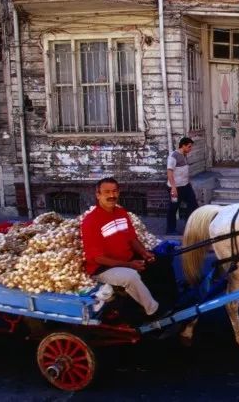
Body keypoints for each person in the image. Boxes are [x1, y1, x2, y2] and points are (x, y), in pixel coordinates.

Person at [81, 177, 160, 318]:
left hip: (126, 260)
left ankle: (162, 298)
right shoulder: (91, 221)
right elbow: (97, 258)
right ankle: (153, 311)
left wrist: (144, 252)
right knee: (131, 276)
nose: (112, 196)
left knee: (159, 261)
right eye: (107, 192)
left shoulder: (121, 213)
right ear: (98, 195)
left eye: (115, 191)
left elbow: (132, 239)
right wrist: (129, 265)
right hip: (103, 268)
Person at [166, 136, 199, 235]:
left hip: (186, 186)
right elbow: (169, 172)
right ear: (183, 146)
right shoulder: (173, 156)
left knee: (193, 204)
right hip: (176, 188)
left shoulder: (184, 154)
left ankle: (189, 226)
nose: (190, 149)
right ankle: (170, 230)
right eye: (189, 147)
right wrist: (173, 188)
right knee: (173, 208)